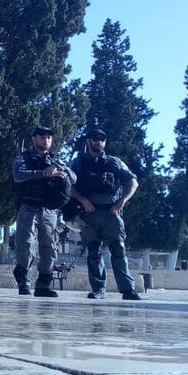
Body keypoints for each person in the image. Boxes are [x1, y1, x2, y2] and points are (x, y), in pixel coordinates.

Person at [71, 128, 142, 301]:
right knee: (94, 251)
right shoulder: (78, 163)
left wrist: (123, 201)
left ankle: (128, 289)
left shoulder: (115, 162)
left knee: (118, 249)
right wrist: (82, 200)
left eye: (102, 139)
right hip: (89, 214)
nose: (99, 142)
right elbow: (68, 185)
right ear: (88, 141)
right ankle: (98, 289)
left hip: (111, 213)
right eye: (95, 139)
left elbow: (133, 182)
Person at [12, 126, 76, 297]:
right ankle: (23, 281)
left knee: (49, 246)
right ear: (34, 139)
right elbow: (18, 175)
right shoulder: (23, 157)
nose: (46, 140)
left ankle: (44, 284)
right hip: (28, 206)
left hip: (49, 210)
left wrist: (59, 170)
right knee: (25, 244)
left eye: (49, 137)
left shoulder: (56, 160)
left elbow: (73, 177)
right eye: (42, 137)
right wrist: (43, 173)